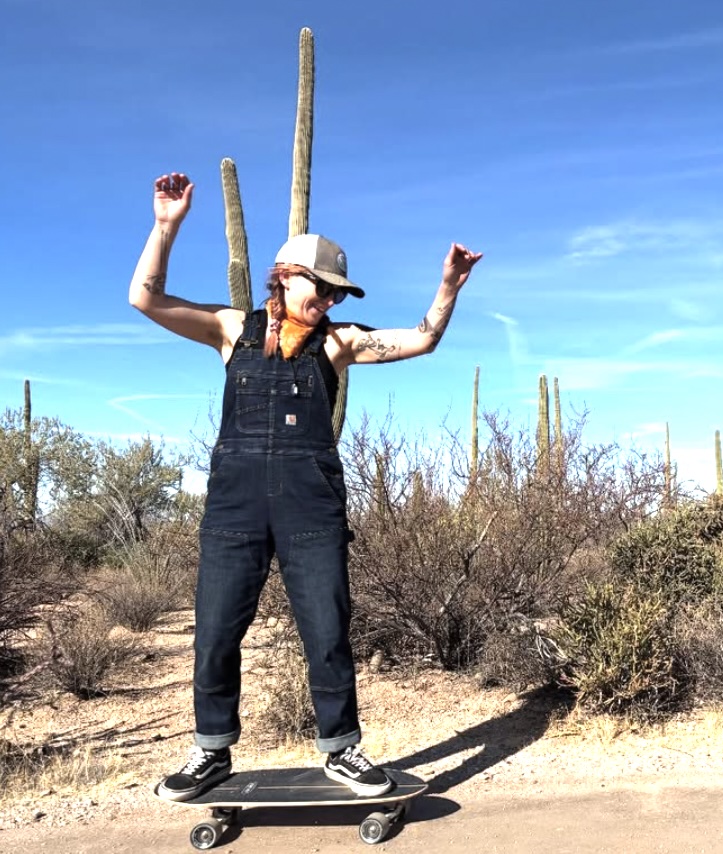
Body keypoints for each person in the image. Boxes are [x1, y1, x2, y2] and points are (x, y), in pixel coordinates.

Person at [130, 172, 482, 801]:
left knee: (326, 629)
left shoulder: (339, 344)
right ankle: (210, 753)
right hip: (233, 504)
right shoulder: (228, 327)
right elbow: (145, 297)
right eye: (322, 288)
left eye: (337, 294)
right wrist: (167, 226)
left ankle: (341, 751)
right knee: (214, 632)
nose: (329, 302)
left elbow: (423, 339)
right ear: (285, 275)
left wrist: (448, 287)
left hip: (311, 506)